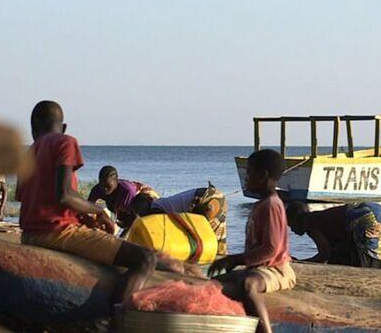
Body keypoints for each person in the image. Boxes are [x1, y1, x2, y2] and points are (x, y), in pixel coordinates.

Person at [16, 100, 182, 304]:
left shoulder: (28, 154)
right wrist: (99, 212)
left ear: (32, 126)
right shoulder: (64, 142)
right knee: (145, 259)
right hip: (57, 233)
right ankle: (117, 322)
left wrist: (84, 217)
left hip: (30, 235)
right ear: (64, 127)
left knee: (124, 256)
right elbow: (65, 195)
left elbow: (36, 201)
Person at [208, 149, 294, 333]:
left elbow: (271, 249)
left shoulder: (272, 205)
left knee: (248, 285)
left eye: (250, 173)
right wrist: (229, 264)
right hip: (258, 268)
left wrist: (236, 259)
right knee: (215, 284)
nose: (245, 178)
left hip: (276, 269)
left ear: (263, 175)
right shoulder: (261, 204)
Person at [285, 200, 381, 269]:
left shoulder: (309, 222)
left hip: (365, 217)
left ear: (296, 219)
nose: (292, 230)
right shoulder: (320, 217)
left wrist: (298, 263)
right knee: (375, 255)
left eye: (291, 225)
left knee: (347, 258)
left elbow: (324, 255)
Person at [131, 182, 229, 257]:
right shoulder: (161, 203)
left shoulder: (154, 210)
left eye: (139, 209)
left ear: (148, 201)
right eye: (137, 211)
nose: (139, 213)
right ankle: (221, 257)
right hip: (217, 196)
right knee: (215, 235)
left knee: (197, 238)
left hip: (202, 199)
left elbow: (166, 234)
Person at [87, 166, 159, 231]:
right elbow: (87, 208)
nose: (104, 189)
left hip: (146, 199)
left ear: (116, 181)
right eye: (102, 185)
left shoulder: (127, 191)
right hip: (123, 205)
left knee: (130, 221)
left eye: (108, 186)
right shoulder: (97, 189)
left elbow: (133, 219)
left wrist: (121, 239)